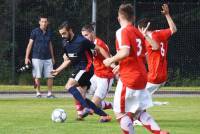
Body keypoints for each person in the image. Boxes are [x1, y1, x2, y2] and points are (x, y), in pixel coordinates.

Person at [104, 3, 169, 134]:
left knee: (120, 113)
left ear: (119, 17)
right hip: (142, 76)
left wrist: (110, 60)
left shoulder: (122, 31)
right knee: (138, 111)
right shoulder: (138, 33)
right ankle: (159, 132)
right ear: (133, 18)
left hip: (129, 77)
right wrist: (121, 65)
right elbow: (140, 55)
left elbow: (125, 52)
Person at [51, 21, 111, 122]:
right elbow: (68, 60)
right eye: (61, 34)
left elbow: (99, 48)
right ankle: (105, 115)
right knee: (81, 96)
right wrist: (58, 70)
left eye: (64, 33)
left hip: (86, 68)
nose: (62, 36)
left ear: (70, 30)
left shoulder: (82, 40)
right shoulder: (65, 43)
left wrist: (110, 61)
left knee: (69, 86)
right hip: (78, 69)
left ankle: (85, 108)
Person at [72, 23, 114, 119]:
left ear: (92, 33)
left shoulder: (100, 44)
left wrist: (115, 67)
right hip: (95, 76)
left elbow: (109, 57)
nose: (84, 38)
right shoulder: (87, 44)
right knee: (77, 91)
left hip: (105, 77)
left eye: (86, 35)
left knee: (93, 105)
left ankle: (108, 110)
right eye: (83, 36)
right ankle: (80, 114)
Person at [138, 4, 177, 102]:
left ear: (143, 29)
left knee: (137, 99)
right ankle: (141, 116)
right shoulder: (159, 33)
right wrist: (167, 14)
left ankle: (141, 117)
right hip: (161, 75)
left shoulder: (148, 38)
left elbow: (155, 46)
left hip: (155, 76)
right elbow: (173, 29)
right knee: (141, 97)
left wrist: (145, 36)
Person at [25, 15, 55, 98]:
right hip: (36, 57)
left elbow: (50, 45)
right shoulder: (35, 31)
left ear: (47, 23)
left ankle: (49, 93)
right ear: (39, 22)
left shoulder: (49, 32)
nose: (44, 23)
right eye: (42, 21)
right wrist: (26, 57)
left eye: (45, 21)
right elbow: (29, 45)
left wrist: (52, 57)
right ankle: (38, 93)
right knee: (37, 76)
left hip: (48, 57)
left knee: (50, 76)